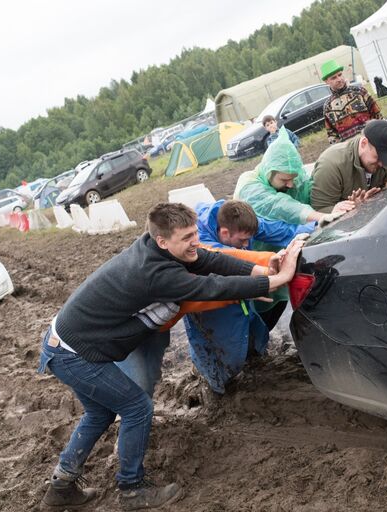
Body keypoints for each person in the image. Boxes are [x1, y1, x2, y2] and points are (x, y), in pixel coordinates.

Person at [37, 202, 302, 510]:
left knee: (100, 413)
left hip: (65, 342)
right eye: (187, 236)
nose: (195, 241)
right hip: (72, 353)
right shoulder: (154, 273)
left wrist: (261, 270)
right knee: (137, 407)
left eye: (194, 232)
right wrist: (276, 280)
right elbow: (210, 286)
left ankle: (61, 487)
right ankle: (131, 489)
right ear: (163, 240)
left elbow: (208, 260)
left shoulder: (156, 247)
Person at [186, 200, 310, 393]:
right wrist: (271, 263)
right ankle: (217, 386)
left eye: (248, 240)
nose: (246, 245)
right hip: (209, 306)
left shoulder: (238, 222)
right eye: (242, 241)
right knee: (222, 354)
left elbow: (275, 229)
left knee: (256, 336)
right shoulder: (199, 242)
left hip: (240, 294)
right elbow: (229, 258)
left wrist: (319, 224)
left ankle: (254, 362)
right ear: (225, 233)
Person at [234, 127, 355, 225]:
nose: (291, 184)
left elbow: (313, 194)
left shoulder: (294, 178)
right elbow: (280, 206)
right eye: (285, 180)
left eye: (293, 178)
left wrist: (338, 206)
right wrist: (321, 216)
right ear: (269, 172)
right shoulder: (249, 185)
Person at [310, 120, 387, 213]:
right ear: (364, 143)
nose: (382, 164)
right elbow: (319, 211)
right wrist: (352, 208)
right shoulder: (331, 165)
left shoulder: (386, 161)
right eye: (378, 157)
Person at [321, 59, 382, 144]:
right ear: (326, 81)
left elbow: (378, 116)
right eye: (334, 78)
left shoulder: (360, 92)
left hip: (372, 143)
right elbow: (332, 135)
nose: (339, 79)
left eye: (340, 75)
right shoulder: (328, 106)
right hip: (351, 152)